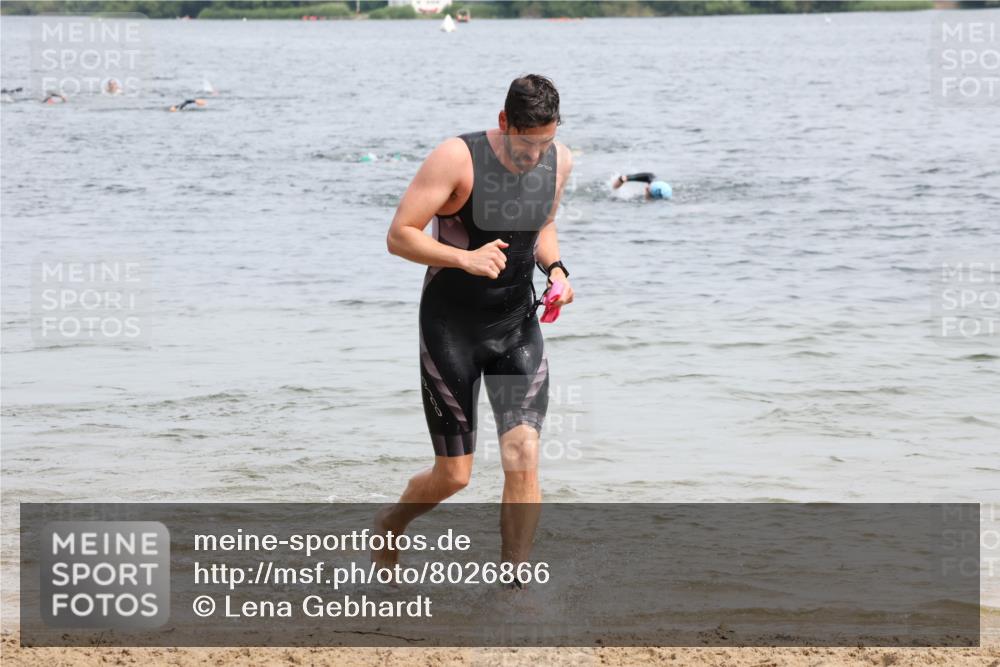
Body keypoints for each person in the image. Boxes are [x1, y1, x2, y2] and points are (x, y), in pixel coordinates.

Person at [376, 74, 575, 582]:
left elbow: (544, 224)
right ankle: (390, 525)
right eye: (524, 144)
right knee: (455, 475)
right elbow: (399, 236)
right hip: (452, 328)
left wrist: (556, 271)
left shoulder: (559, 161)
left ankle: (513, 585)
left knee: (523, 452)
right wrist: (465, 259)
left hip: (515, 325)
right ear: (503, 122)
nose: (534, 156)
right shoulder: (456, 158)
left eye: (544, 144)